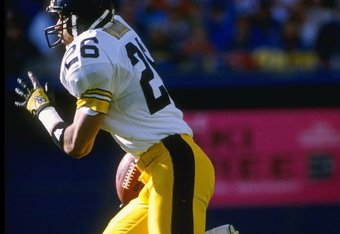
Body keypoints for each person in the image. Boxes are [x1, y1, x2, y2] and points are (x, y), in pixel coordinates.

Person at [14, 1, 239, 234]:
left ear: (79, 15)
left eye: (62, 16)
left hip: (172, 163)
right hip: (161, 166)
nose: (58, 24)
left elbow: (76, 145)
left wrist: (42, 109)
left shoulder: (87, 56)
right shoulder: (117, 27)